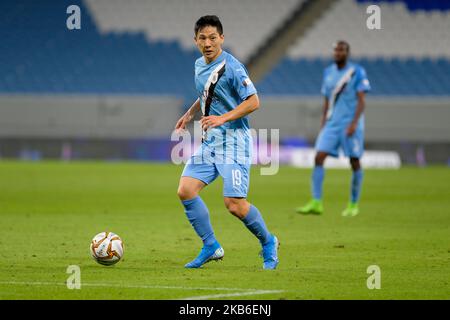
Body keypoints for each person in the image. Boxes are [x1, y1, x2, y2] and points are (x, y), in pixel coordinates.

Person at [175, 15, 279, 269]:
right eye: (202, 38)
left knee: (234, 205)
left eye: (213, 38)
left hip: (235, 142)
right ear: (195, 41)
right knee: (186, 190)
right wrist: (190, 114)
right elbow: (207, 94)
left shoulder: (233, 67)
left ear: (222, 38)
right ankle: (211, 246)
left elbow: (254, 101)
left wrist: (223, 118)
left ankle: (268, 242)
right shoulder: (199, 65)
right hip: (211, 142)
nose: (208, 43)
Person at [296, 41, 371, 217]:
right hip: (332, 124)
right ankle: (316, 202)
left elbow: (362, 100)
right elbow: (327, 100)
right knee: (319, 156)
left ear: (347, 53)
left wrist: (354, 123)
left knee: (354, 161)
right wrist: (323, 123)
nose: (338, 53)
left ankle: (353, 204)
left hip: (350, 124)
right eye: (336, 50)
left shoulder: (356, 72)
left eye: (341, 50)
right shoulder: (328, 72)